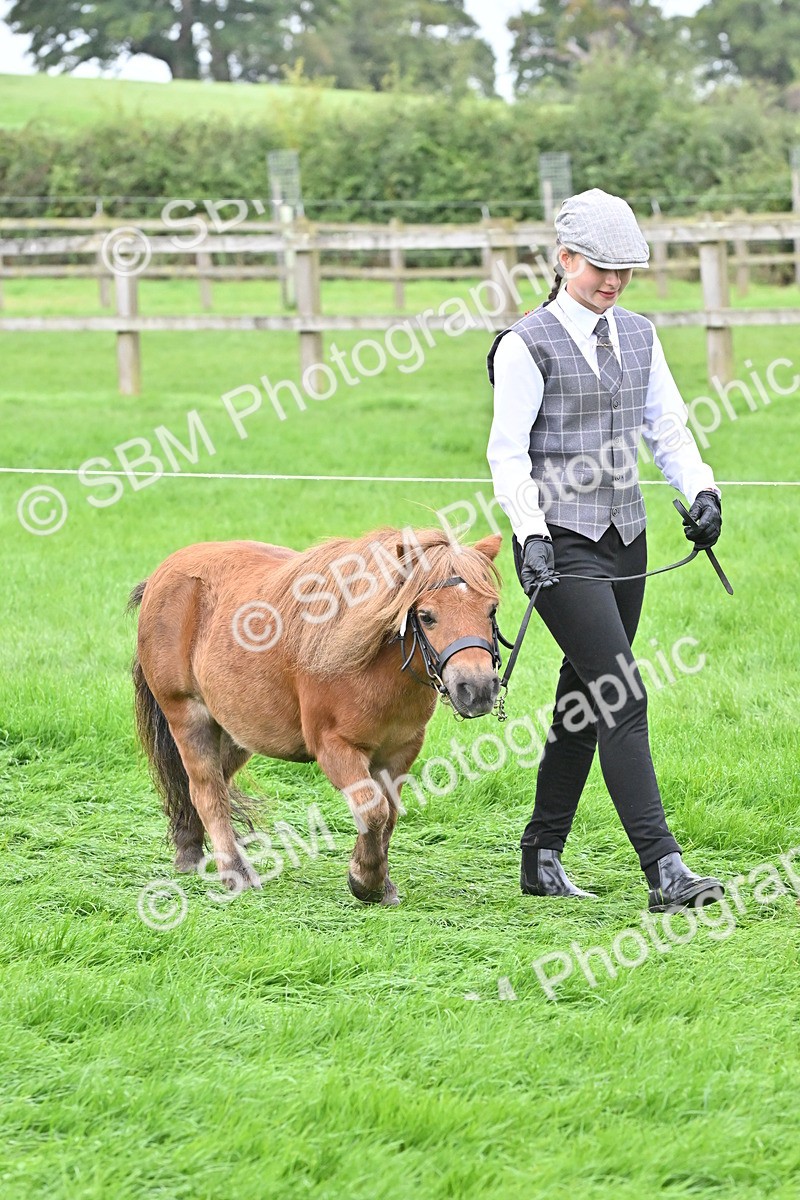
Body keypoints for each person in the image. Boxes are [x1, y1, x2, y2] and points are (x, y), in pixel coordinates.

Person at [486, 188, 725, 913]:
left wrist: (703, 491)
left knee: (584, 698)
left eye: (625, 269)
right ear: (564, 260)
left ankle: (541, 854)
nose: (613, 281)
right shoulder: (526, 345)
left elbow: (667, 428)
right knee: (623, 693)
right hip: (560, 545)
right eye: (599, 268)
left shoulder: (641, 335)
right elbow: (507, 455)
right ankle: (665, 871)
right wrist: (528, 535)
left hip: (628, 537)